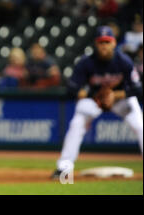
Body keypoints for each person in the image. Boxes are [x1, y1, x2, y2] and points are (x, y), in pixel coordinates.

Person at [52, 26, 143, 179]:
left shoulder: (124, 62)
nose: (104, 45)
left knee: (140, 126)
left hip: (120, 100)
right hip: (95, 100)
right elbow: (71, 90)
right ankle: (64, 168)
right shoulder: (86, 62)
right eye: (101, 42)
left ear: (114, 43)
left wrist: (116, 95)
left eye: (107, 42)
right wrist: (91, 94)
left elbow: (139, 91)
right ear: (95, 44)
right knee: (77, 123)